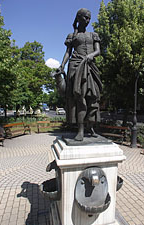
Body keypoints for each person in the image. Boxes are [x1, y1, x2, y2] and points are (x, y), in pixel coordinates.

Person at [59, 8, 102, 141]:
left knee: (93, 97)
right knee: (79, 97)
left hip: (90, 66)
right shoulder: (72, 36)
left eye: (89, 18)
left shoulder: (93, 34)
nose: (87, 20)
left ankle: (91, 127)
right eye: (85, 17)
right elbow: (68, 52)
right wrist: (62, 65)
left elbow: (98, 51)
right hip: (76, 66)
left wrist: (91, 55)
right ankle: (81, 130)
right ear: (78, 18)